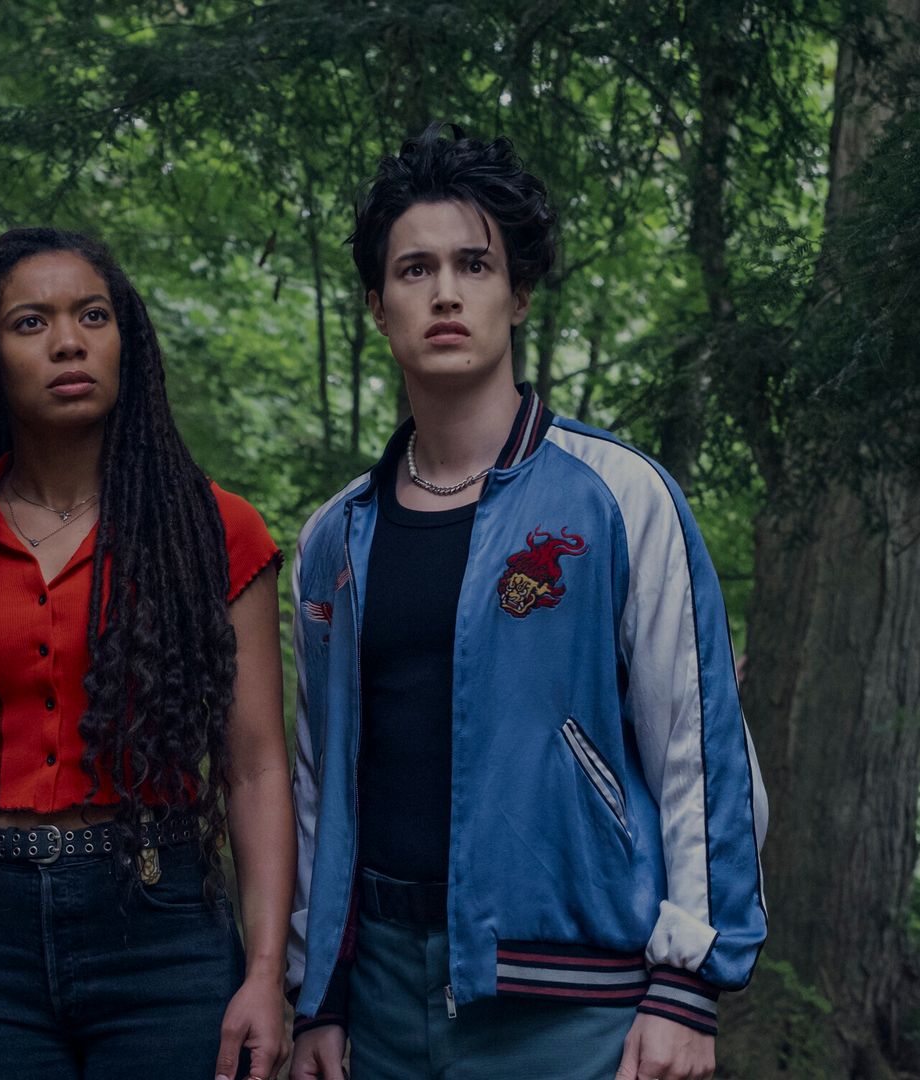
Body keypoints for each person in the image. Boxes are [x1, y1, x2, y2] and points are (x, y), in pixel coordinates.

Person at [286, 126, 769, 1080]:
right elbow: (317, 782)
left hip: (574, 1001)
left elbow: (699, 751)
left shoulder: (621, 497)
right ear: (380, 308)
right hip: (377, 997)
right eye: (414, 269)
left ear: (518, 294)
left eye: (475, 263)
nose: (447, 292)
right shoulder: (332, 538)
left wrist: (688, 987)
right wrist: (320, 996)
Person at [0, 228, 294, 1080]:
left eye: (92, 316)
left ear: (126, 339)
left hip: (162, 926)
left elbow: (256, 770)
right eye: (30, 323)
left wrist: (267, 976)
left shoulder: (213, 530)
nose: (67, 341)